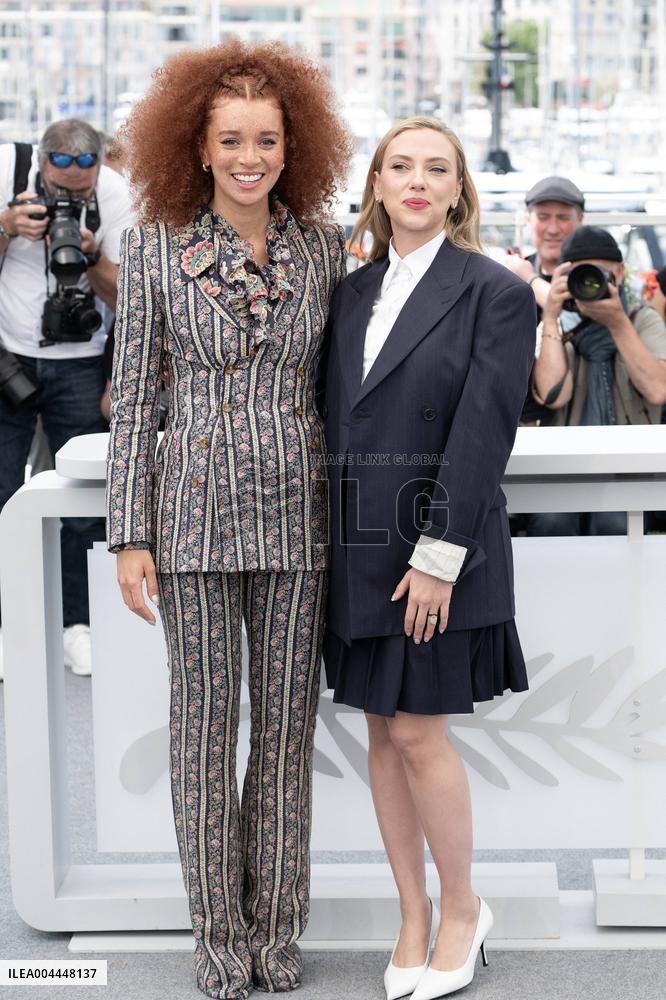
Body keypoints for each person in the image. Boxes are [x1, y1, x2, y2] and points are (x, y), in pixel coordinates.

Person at [106, 40, 351, 1000]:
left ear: (295, 147)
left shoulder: (326, 248)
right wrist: (131, 532)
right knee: (203, 733)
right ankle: (217, 935)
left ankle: (277, 926)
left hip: (299, 521)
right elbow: (134, 400)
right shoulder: (159, 248)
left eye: (268, 140)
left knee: (287, 735)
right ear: (198, 150)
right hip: (193, 524)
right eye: (231, 141)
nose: (250, 157)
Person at [321, 117, 535, 1000]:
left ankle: (462, 907)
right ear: (376, 183)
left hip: (434, 544)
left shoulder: (496, 290)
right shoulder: (346, 294)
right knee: (379, 731)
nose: (416, 180)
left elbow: (487, 431)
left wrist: (440, 555)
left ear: (458, 190)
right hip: (355, 545)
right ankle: (410, 909)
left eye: (435, 169)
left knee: (418, 731)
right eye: (400, 166)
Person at [0, 119, 134, 679]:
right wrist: (6, 228)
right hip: (7, 359)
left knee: (83, 508)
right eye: (60, 189)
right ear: (40, 167)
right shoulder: (7, 168)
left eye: (82, 191)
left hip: (80, 364)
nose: (71, 196)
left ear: (100, 168)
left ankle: (78, 626)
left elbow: (130, 293)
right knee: (5, 499)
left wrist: (90, 250)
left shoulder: (117, 194)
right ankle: (12, 626)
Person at [531, 226, 666, 535]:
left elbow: (658, 390)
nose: (590, 284)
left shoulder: (641, 320)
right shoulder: (556, 324)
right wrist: (550, 317)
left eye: (600, 274)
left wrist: (617, 323)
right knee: (552, 522)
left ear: (618, 273)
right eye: (581, 275)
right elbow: (554, 396)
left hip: (630, 467)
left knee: (615, 522)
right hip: (561, 468)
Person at [503, 175, 585, 426]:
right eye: (543, 217)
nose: (552, 229)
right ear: (528, 220)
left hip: (576, 417)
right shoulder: (511, 270)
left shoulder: (591, 274)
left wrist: (528, 280)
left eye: (563, 218)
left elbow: (579, 308)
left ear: (580, 221)